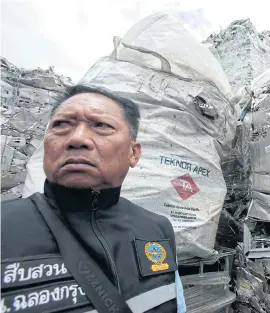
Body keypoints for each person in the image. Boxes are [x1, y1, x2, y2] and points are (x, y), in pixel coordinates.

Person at [1, 85, 186, 313]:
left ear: (133, 153)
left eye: (101, 125)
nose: (77, 139)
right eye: (61, 124)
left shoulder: (157, 230)